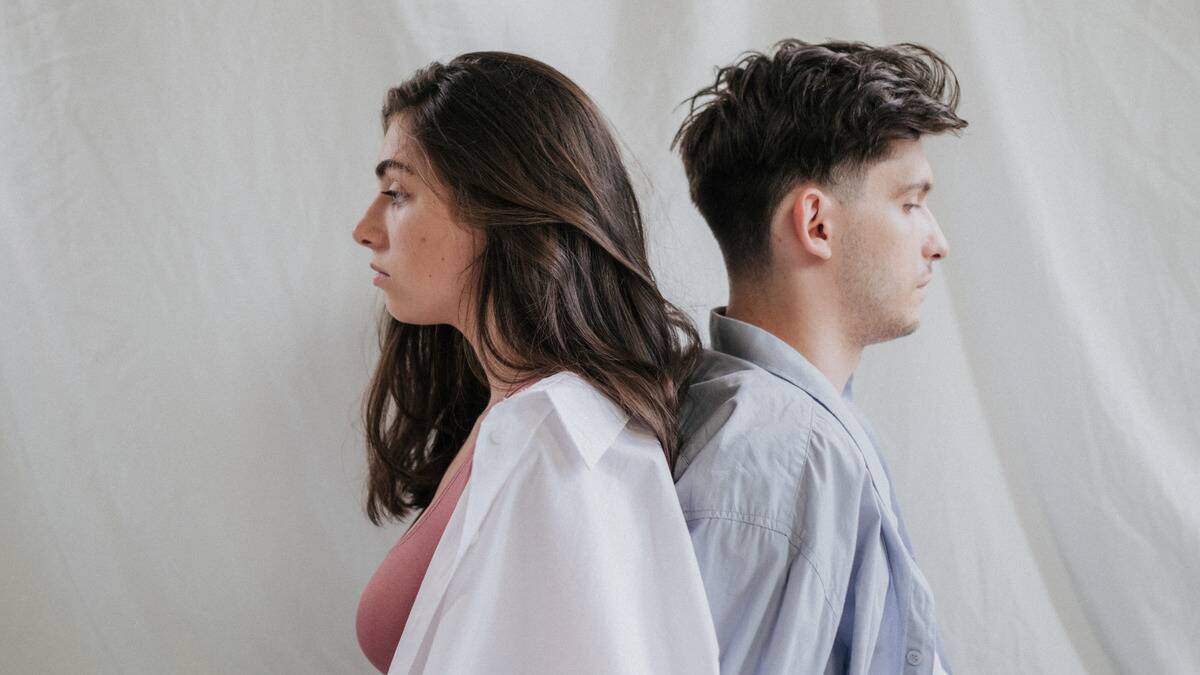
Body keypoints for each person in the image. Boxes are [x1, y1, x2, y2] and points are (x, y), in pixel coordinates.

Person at [350, 52, 719, 675]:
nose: (365, 228)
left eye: (397, 193)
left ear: (503, 207)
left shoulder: (558, 445)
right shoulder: (512, 419)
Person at [670, 40, 968, 674]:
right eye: (910, 203)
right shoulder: (783, 450)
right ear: (816, 224)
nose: (937, 242)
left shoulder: (764, 419)